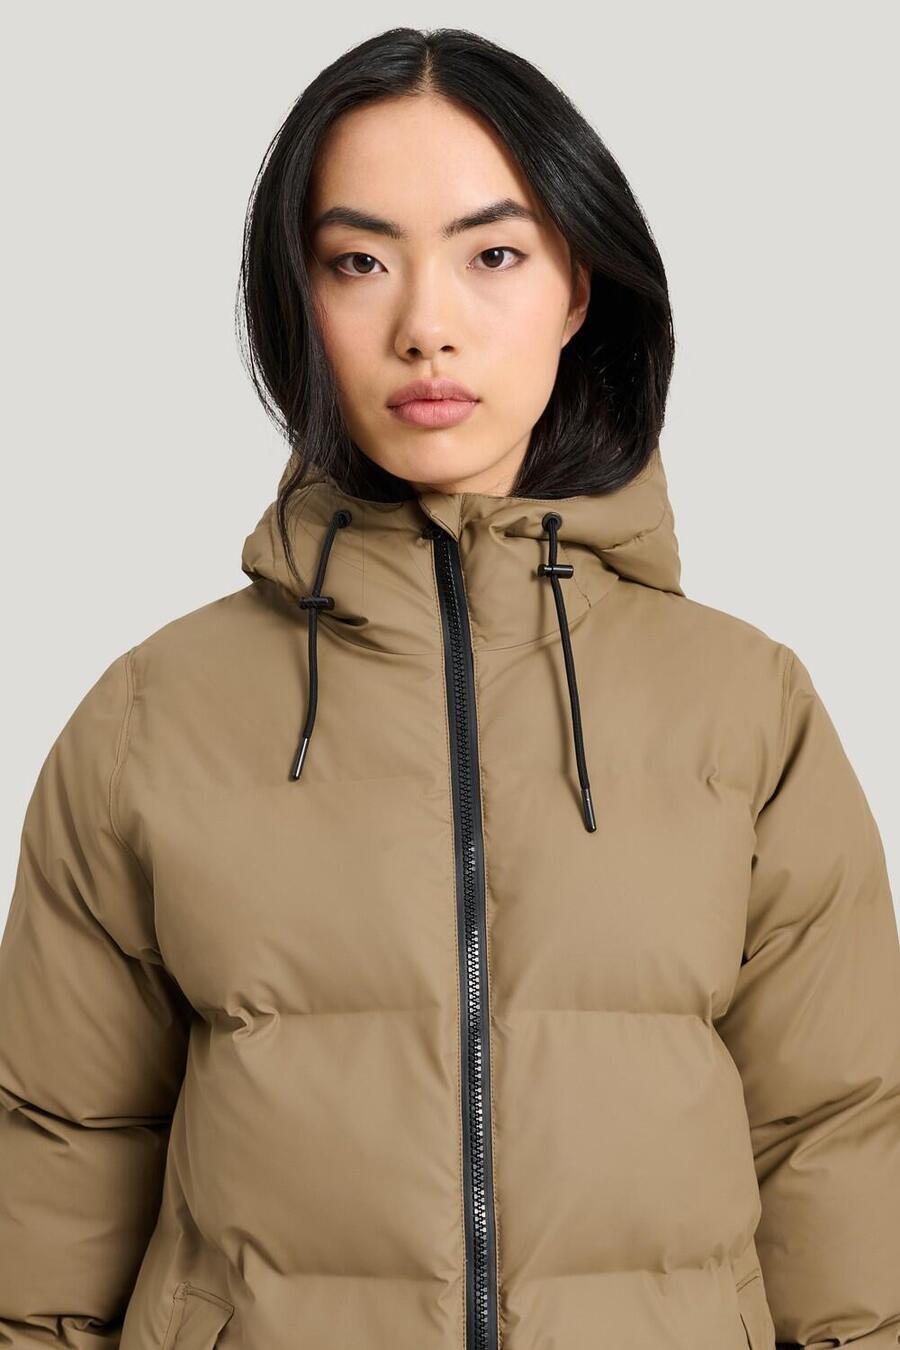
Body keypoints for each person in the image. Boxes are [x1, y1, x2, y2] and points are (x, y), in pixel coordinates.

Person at [1, 25, 898, 1350]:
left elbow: (838, 1142)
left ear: (578, 287)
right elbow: (61, 1150)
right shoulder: (153, 717)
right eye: (359, 262)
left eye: (493, 255)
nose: (425, 326)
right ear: (298, 299)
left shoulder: (749, 709)